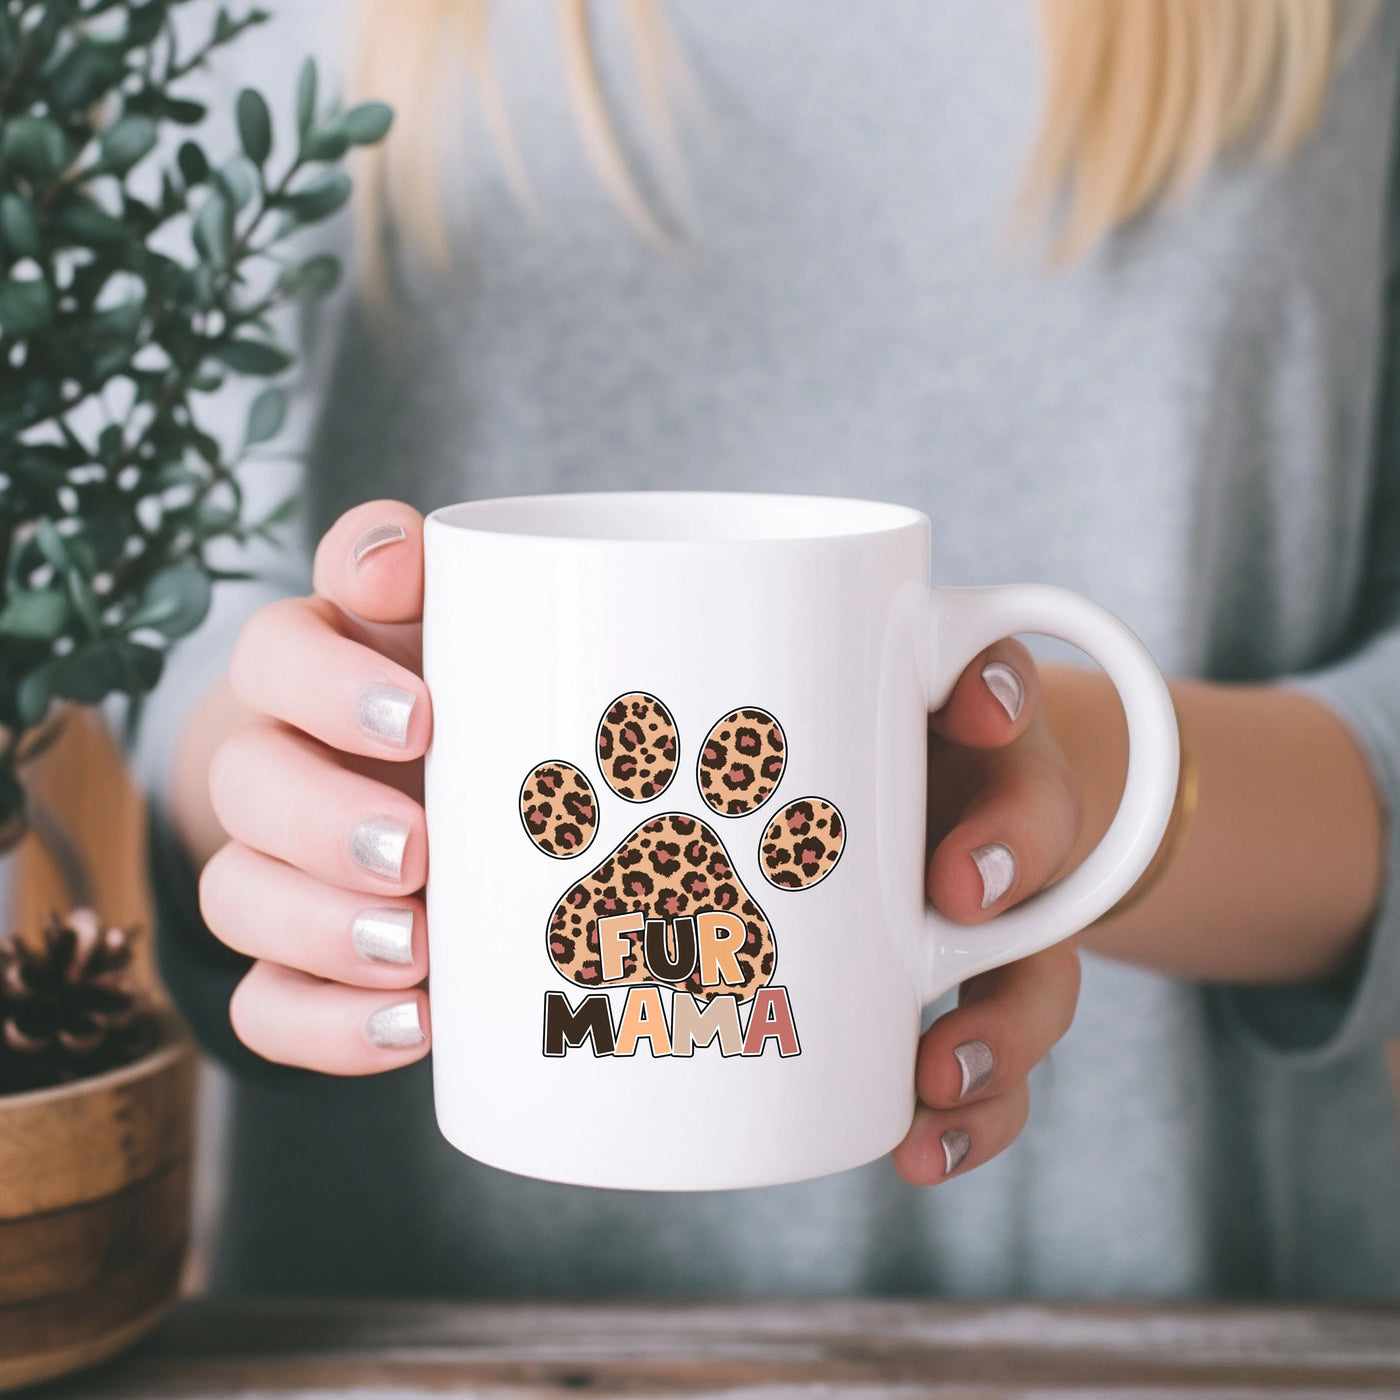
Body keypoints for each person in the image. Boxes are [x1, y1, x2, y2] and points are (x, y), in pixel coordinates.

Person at [146, 0, 1400, 1297]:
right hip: (396, 1323)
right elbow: (161, 601)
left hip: (1182, 1329)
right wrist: (270, 785)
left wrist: (1048, 784)